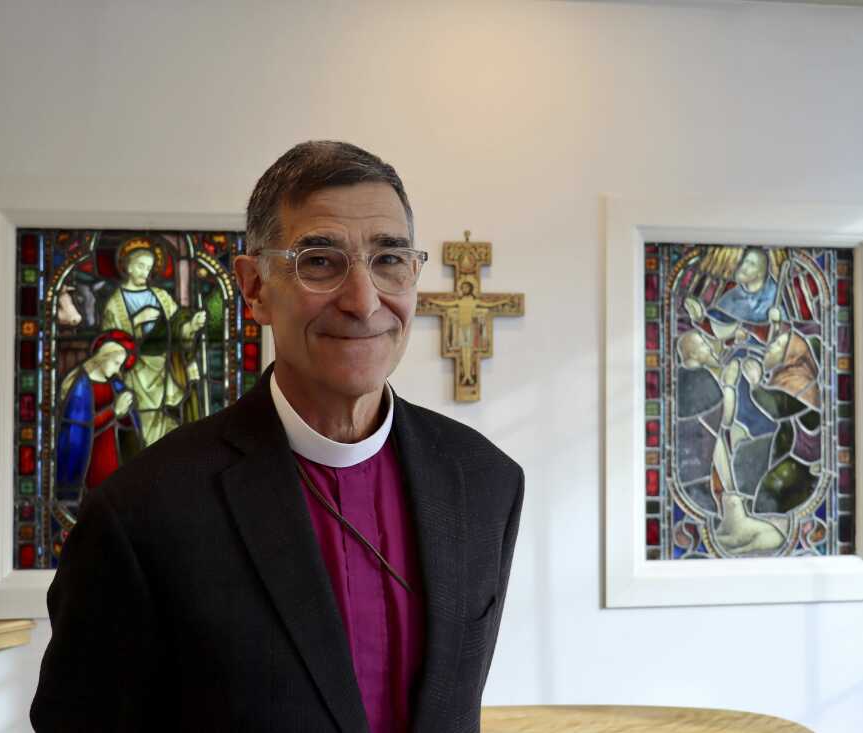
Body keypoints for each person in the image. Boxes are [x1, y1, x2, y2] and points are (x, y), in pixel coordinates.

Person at [31, 141, 525, 733]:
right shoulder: (140, 511)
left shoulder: (485, 482)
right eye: (320, 261)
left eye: (389, 260)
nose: (364, 301)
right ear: (254, 287)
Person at [100, 238, 208, 446]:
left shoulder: (161, 296)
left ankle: (164, 455)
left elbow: (177, 327)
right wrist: (137, 323)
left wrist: (191, 326)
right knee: (144, 417)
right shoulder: (115, 303)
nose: (145, 272)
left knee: (164, 415)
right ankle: (149, 457)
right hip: (135, 370)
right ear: (128, 266)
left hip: (164, 366)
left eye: (148, 268)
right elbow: (110, 343)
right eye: (140, 266)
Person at [55, 330, 143, 502]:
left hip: (112, 450)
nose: (118, 369)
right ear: (104, 356)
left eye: (121, 365)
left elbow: (128, 425)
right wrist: (114, 412)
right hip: (87, 457)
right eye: (117, 363)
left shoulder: (116, 384)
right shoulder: (80, 386)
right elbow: (77, 428)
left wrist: (126, 412)